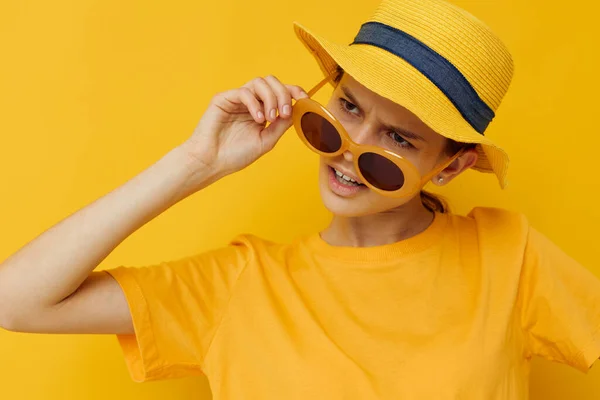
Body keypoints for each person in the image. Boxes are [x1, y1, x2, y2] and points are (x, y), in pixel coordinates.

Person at [0, 0, 598, 398]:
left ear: (450, 167)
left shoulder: (509, 257)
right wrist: (194, 164)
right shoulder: (239, 284)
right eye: (348, 109)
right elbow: (16, 302)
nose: (349, 149)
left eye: (397, 137)